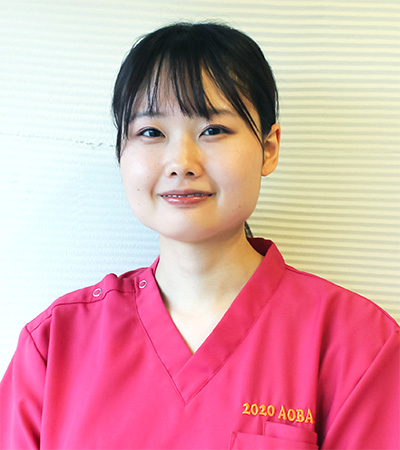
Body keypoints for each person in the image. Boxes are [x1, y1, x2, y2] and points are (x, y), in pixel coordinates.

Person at [0, 22, 399, 450]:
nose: (181, 163)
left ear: (269, 148)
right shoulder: (55, 343)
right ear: (121, 152)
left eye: (213, 130)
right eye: (151, 132)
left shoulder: (357, 342)